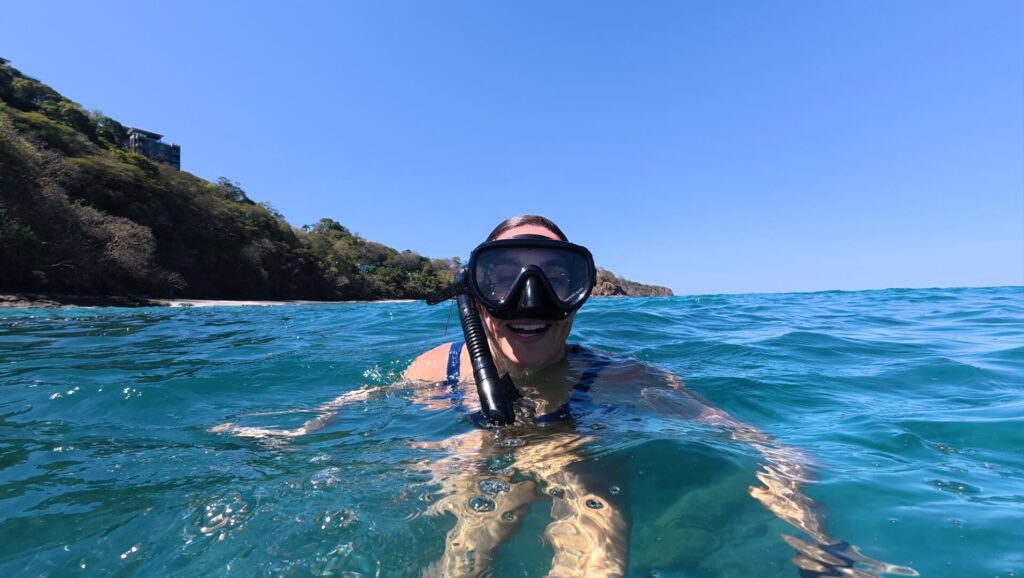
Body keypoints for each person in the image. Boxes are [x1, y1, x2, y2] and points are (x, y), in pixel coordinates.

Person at [213, 215, 915, 578]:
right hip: (468, 445)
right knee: (466, 515)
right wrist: (299, 433)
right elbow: (356, 402)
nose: (531, 298)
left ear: (580, 295)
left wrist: (821, 542)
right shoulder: (435, 368)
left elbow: (758, 446)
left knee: (587, 501)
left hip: (578, 441)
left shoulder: (624, 377)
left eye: (555, 276)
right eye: (505, 276)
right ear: (473, 293)